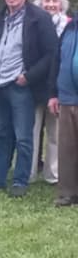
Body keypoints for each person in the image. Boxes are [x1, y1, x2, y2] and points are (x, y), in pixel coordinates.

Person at [0, 0, 61, 197]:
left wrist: (29, 76)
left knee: (24, 135)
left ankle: (20, 181)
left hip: (22, 86)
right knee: (0, 135)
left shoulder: (39, 18)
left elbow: (51, 53)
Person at [31, 0, 69, 185]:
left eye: (55, 1)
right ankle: (28, 172)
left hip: (58, 87)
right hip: (35, 85)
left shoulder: (69, 27)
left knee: (55, 133)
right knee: (32, 131)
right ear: (40, 3)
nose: (51, 4)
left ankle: (53, 174)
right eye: (47, 1)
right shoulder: (32, 23)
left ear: (62, 4)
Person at [50, 16, 78, 206]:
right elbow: (56, 60)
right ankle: (67, 193)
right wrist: (53, 93)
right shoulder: (70, 28)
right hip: (67, 98)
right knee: (67, 149)